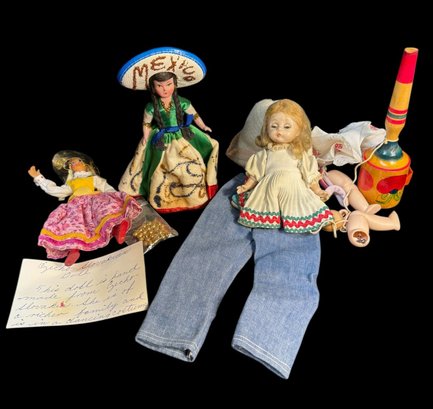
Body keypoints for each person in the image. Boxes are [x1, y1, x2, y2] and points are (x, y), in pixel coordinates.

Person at [118, 47, 219, 213]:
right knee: (160, 168)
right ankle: (164, 197)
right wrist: (145, 137)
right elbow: (146, 123)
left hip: (182, 136)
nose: (165, 89)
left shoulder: (183, 102)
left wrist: (203, 126)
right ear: (153, 87)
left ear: (175, 84)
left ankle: (194, 196)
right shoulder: (151, 107)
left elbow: (194, 115)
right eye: (159, 85)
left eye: (169, 84)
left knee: (193, 162)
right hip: (161, 138)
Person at [233, 99, 334, 232]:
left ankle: (292, 219)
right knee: (265, 202)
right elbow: (256, 173)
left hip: (293, 185)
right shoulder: (265, 153)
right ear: (266, 128)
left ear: (299, 130)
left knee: (297, 203)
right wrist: (246, 186)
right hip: (269, 185)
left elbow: (309, 174)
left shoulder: (299, 153)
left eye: (287, 127)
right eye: (274, 126)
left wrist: (317, 190)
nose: (279, 131)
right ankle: (271, 217)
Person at [28, 150, 142, 266]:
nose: (75, 164)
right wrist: (39, 178)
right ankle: (73, 250)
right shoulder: (71, 183)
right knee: (72, 225)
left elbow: (107, 189)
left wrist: (118, 197)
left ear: (85, 164)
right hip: (76, 206)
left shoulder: (94, 179)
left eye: (78, 161)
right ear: (70, 169)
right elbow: (57, 190)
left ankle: (118, 228)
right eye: (72, 164)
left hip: (94, 201)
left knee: (105, 211)